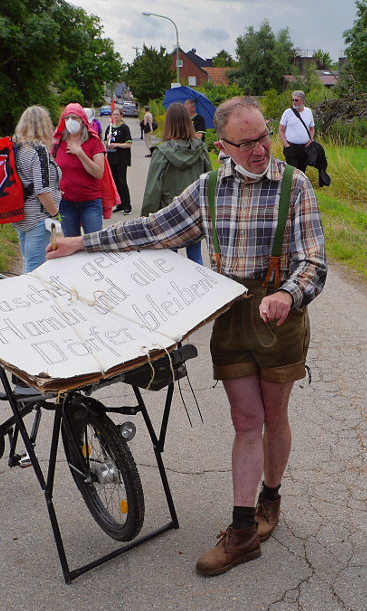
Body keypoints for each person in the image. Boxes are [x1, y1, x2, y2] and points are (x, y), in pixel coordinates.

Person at [47, 96, 327, 576]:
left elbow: (314, 262)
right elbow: (154, 230)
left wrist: (288, 293)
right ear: (222, 146)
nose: (260, 150)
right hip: (232, 313)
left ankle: (270, 498)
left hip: (280, 315)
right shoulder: (209, 188)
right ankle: (241, 532)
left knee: (273, 415)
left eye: (263, 137)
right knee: (246, 419)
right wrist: (82, 241)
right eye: (247, 143)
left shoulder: (295, 186)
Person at [140, 102, 211, 265]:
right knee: (195, 256)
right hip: (194, 210)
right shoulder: (200, 148)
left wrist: (145, 219)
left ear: (169, 123)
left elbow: (153, 189)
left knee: (169, 258)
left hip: (169, 212)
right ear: (188, 122)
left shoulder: (161, 152)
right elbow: (209, 181)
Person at [11, 105, 61, 273]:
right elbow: (42, 191)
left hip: (19, 214)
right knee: (35, 269)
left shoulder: (14, 147)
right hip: (37, 217)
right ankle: (29, 297)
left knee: (28, 262)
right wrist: (55, 214)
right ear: (44, 125)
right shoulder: (38, 150)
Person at [52, 103, 106, 237]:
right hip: (65, 203)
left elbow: (98, 173)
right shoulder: (58, 142)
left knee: (94, 244)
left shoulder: (94, 142)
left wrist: (80, 153)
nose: (70, 121)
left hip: (90, 202)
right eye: (67, 117)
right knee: (71, 246)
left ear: (82, 120)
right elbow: (51, 170)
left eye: (74, 118)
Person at [104, 107, 133, 214]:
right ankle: (120, 204)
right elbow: (105, 145)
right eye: (114, 114)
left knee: (122, 181)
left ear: (121, 116)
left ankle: (127, 205)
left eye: (117, 114)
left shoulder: (124, 128)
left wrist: (116, 144)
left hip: (122, 159)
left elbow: (128, 144)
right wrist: (107, 139)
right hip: (111, 158)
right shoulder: (110, 128)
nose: (115, 116)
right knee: (115, 182)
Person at [278, 90, 315, 173]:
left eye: (296, 100)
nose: (294, 102)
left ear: (303, 101)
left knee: (302, 172)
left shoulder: (308, 112)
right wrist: (286, 145)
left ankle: (300, 186)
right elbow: (281, 129)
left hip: (304, 147)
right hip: (291, 147)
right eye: (293, 100)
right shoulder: (287, 112)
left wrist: (311, 140)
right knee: (293, 172)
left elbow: (312, 128)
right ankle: (291, 186)